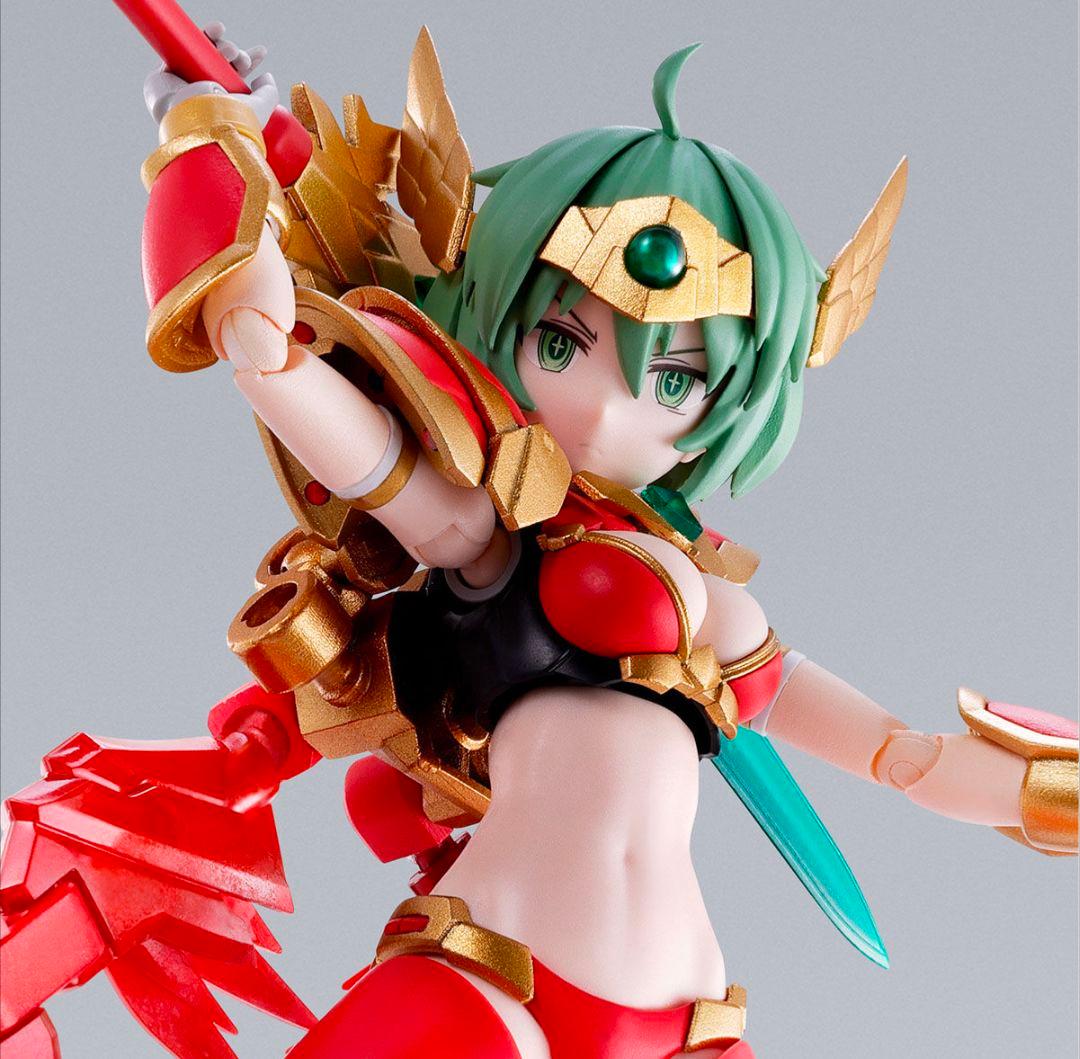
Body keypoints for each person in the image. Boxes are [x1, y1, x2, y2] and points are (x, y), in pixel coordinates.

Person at [0, 22, 1075, 1059]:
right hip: (493, 981)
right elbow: (293, 379)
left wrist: (1043, 792)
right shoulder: (489, 531)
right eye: (561, 342)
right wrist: (212, 146)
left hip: (691, 1024)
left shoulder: (714, 604)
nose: (607, 405)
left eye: (674, 380)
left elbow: (902, 756)